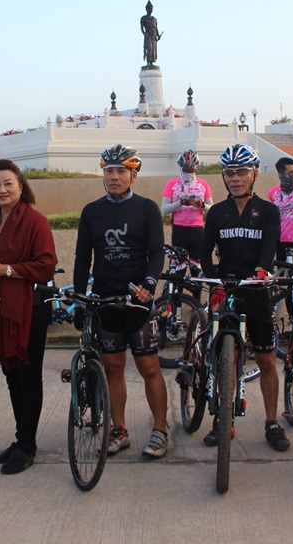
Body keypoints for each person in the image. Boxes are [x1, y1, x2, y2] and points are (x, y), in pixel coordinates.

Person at [73, 144, 168, 458]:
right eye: (109, 171)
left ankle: (160, 431)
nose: (114, 177)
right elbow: (82, 257)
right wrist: (80, 299)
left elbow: (157, 252)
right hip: (104, 300)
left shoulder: (147, 208)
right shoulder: (91, 211)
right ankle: (119, 430)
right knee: (113, 367)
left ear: (133, 176)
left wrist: (150, 283)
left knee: (149, 367)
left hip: (137, 301)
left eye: (121, 171)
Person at [199, 144, 289, 451]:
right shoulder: (216, 213)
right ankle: (223, 418)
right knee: (226, 358)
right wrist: (212, 278)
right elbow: (205, 250)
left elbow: (270, 246)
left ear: (254, 174)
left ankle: (272, 422)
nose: (235, 178)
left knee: (265, 358)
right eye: (229, 173)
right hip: (227, 289)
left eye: (241, 172)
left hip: (256, 288)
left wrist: (263, 269)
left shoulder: (268, 211)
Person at [0, 159, 57, 474]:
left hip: (30, 307)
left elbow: (46, 266)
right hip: (0, 307)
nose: (2, 189)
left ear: (21, 186)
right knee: (11, 374)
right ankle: (21, 438)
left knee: (28, 375)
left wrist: (6, 270)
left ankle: (28, 446)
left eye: (8, 183)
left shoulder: (35, 221)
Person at [161, 149, 213, 259]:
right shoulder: (172, 184)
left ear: (196, 168)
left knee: (197, 266)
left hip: (197, 230)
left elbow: (212, 209)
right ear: (181, 168)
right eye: (185, 170)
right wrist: (180, 202)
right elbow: (164, 210)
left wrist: (201, 205)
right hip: (179, 230)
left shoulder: (203, 184)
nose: (188, 172)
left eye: (191, 169)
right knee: (179, 266)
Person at [140, 0, 162, 65]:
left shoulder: (154, 19)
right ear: (146, 9)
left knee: (154, 49)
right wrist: (144, 34)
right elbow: (142, 28)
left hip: (154, 35)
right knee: (149, 48)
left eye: (151, 8)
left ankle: (152, 62)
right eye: (149, 8)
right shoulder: (144, 18)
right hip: (148, 34)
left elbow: (156, 28)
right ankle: (148, 62)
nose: (150, 10)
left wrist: (158, 35)